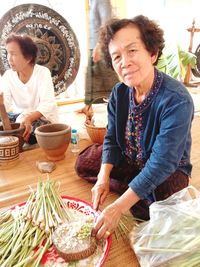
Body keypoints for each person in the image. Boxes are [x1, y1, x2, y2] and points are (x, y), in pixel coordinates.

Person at [75, 15, 194, 240]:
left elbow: (162, 163)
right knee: (84, 161)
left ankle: (132, 189)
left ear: (152, 53)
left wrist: (118, 207)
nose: (124, 62)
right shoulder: (119, 93)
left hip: (167, 170)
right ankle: (133, 188)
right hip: (130, 158)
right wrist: (103, 176)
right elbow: (110, 138)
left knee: (164, 194)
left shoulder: (177, 99)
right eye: (116, 56)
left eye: (132, 51)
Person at [0, 33, 59, 145]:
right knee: (5, 125)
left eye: (13, 54)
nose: (9, 58)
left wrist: (29, 119)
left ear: (28, 57)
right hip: (22, 116)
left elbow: (47, 104)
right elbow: (6, 105)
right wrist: (1, 104)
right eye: (7, 53)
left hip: (42, 118)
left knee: (35, 133)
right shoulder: (8, 76)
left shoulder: (42, 73)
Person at [77, 0, 119, 116]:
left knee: (109, 80)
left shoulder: (102, 1)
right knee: (92, 77)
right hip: (94, 46)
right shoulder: (94, 2)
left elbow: (107, 24)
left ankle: (122, 106)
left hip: (101, 47)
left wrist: (99, 46)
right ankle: (88, 106)